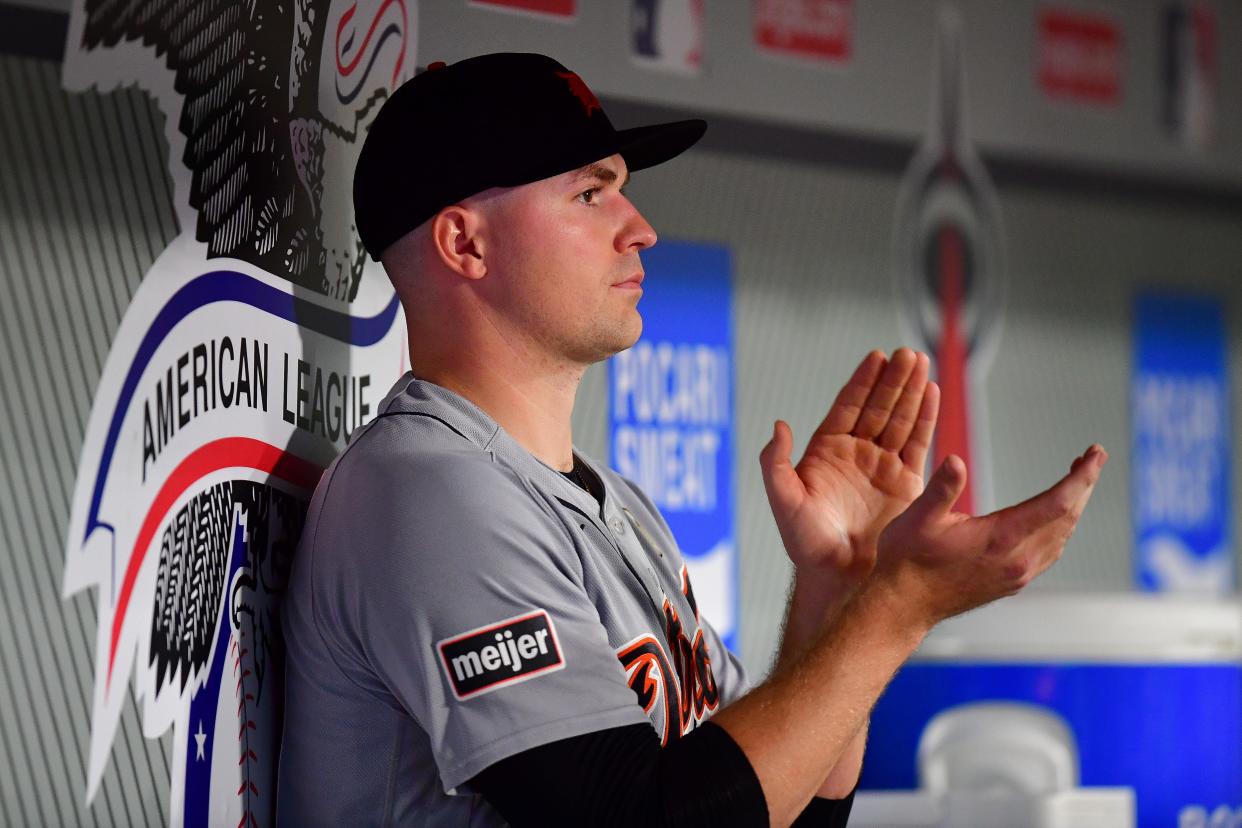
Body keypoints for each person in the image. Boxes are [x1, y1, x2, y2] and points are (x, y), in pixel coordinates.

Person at [275, 52, 1106, 827]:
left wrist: (841, 585)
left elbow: (785, 813)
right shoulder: (428, 491)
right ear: (465, 242)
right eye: (589, 194)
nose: (640, 228)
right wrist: (898, 609)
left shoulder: (612, 503)